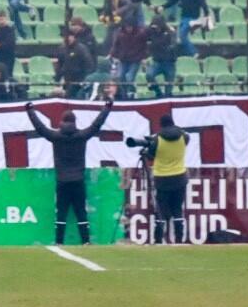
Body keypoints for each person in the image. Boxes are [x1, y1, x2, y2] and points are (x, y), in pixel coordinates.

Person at [21, 97, 113, 245]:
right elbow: (97, 125)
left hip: (62, 180)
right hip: (78, 180)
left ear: (61, 122)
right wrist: (107, 108)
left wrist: (30, 111)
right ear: (75, 122)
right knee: (81, 212)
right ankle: (86, 241)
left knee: (61, 213)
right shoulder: (82, 136)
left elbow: (40, 128)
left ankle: (59, 241)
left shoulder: (56, 136)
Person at [127, 115, 191, 245]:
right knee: (178, 209)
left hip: (162, 179)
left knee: (161, 210)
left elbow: (150, 156)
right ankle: (179, 239)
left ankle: (158, 239)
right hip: (180, 177)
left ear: (161, 125)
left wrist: (148, 147)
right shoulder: (184, 137)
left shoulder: (158, 139)